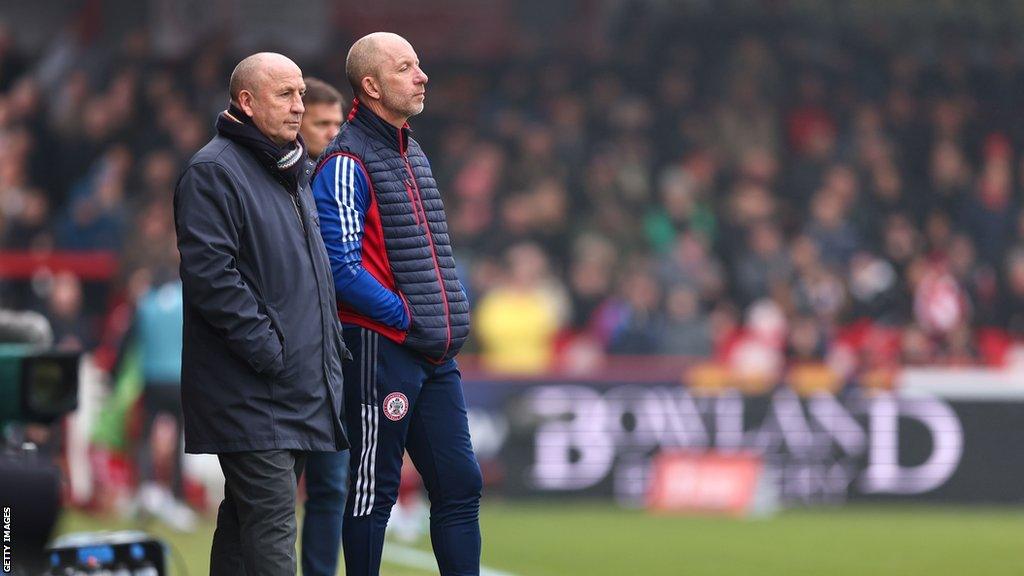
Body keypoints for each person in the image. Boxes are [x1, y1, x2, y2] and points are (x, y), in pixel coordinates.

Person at [310, 32, 482, 575]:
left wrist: (443, 316)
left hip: (434, 353)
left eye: (419, 63)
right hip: (382, 350)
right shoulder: (344, 161)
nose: (422, 75)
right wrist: (405, 317)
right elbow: (340, 269)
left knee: (460, 484)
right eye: (406, 67)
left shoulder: (413, 151)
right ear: (371, 85)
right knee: (372, 491)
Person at [174, 52, 349, 575]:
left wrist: (323, 351)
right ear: (246, 102)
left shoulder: (289, 169)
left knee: (243, 527)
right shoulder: (214, 170)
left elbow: (310, 281)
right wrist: (271, 350)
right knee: (273, 532)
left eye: (300, 94)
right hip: (253, 389)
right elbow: (211, 277)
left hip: (289, 386)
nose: (299, 106)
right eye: (285, 95)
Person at [297, 76, 350, 576]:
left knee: (332, 484)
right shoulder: (283, 181)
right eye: (322, 123)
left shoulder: (345, 179)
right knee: (269, 491)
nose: (333, 133)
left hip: (333, 357)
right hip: (288, 357)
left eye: (338, 123)